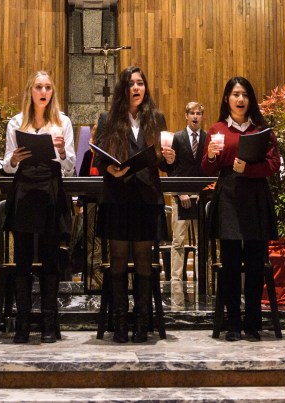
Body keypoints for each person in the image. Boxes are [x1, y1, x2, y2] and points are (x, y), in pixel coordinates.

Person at [93, 66, 171, 343]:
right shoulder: (108, 119)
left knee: (143, 261)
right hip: (117, 197)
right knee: (116, 262)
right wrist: (110, 170)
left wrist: (168, 158)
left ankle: (141, 321)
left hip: (146, 199)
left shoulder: (156, 119)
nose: (136, 88)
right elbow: (98, 158)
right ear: (122, 89)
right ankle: (119, 322)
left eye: (140, 83)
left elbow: (161, 162)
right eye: (130, 84)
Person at [202, 77, 280, 342]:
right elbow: (207, 168)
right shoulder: (216, 129)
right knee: (231, 263)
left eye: (245, 94)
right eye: (235, 94)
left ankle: (253, 323)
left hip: (256, 195)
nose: (240, 99)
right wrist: (211, 155)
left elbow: (273, 166)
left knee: (256, 263)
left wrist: (248, 169)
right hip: (229, 197)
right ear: (227, 99)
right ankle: (232, 322)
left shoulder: (261, 130)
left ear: (251, 99)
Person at [2, 71, 76, 343]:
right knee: (22, 258)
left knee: (49, 258)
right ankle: (22, 323)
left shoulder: (62, 122)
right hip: (24, 188)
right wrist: (14, 159)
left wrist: (63, 153)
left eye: (47, 87)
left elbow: (70, 167)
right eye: (38, 87)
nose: (43, 91)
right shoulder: (16, 123)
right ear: (30, 91)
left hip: (51, 189)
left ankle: (48, 322)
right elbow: (7, 167)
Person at [166, 101, 206, 310]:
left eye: (199, 113)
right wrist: (180, 191)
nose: (195, 116)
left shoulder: (208, 138)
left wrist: (203, 192)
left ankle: (202, 280)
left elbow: (209, 168)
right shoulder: (177, 138)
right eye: (192, 113)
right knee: (178, 242)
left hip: (200, 197)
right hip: (180, 196)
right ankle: (175, 282)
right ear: (186, 115)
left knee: (202, 242)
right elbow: (171, 167)